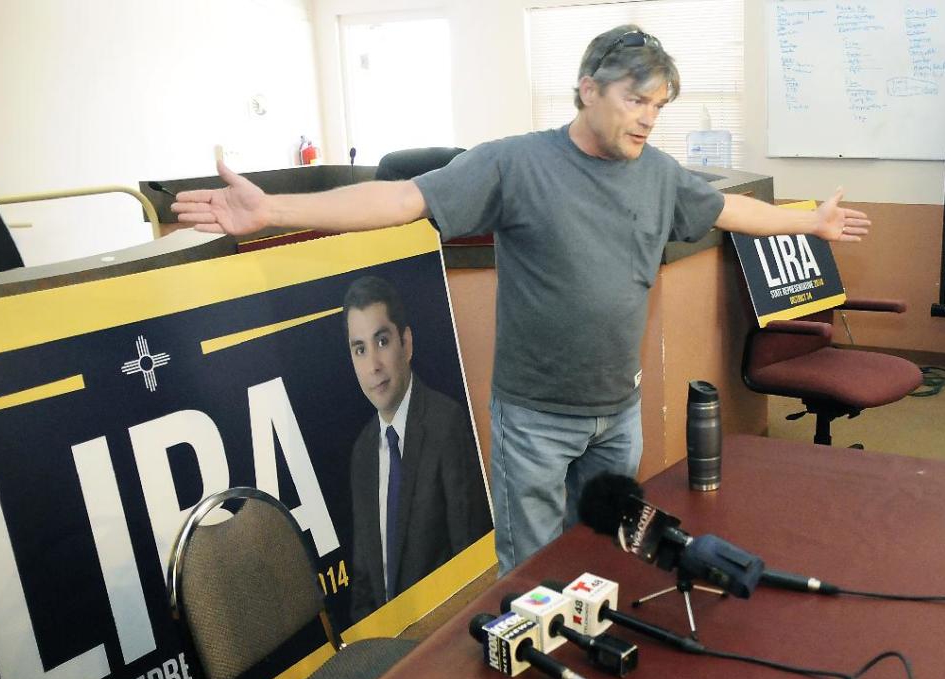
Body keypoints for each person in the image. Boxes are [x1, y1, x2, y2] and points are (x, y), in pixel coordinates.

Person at [172, 24, 871, 575]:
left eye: (659, 106)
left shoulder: (659, 174)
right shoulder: (515, 163)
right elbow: (402, 196)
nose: (649, 119)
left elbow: (725, 211)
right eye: (636, 99)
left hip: (616, 415)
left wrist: (809, 221)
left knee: (604, 555)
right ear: (586, 89)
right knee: (533, 577)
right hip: (535, 422)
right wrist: (276, 210)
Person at [342, 275, 491, 621]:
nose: (373, 365)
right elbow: (364, 583)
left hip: (443, 634)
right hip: (387, 648)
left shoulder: (446, 424)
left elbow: (474, 565)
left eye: (382, 341)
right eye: (360, 349)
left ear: (406, 344)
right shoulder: (362, 453)